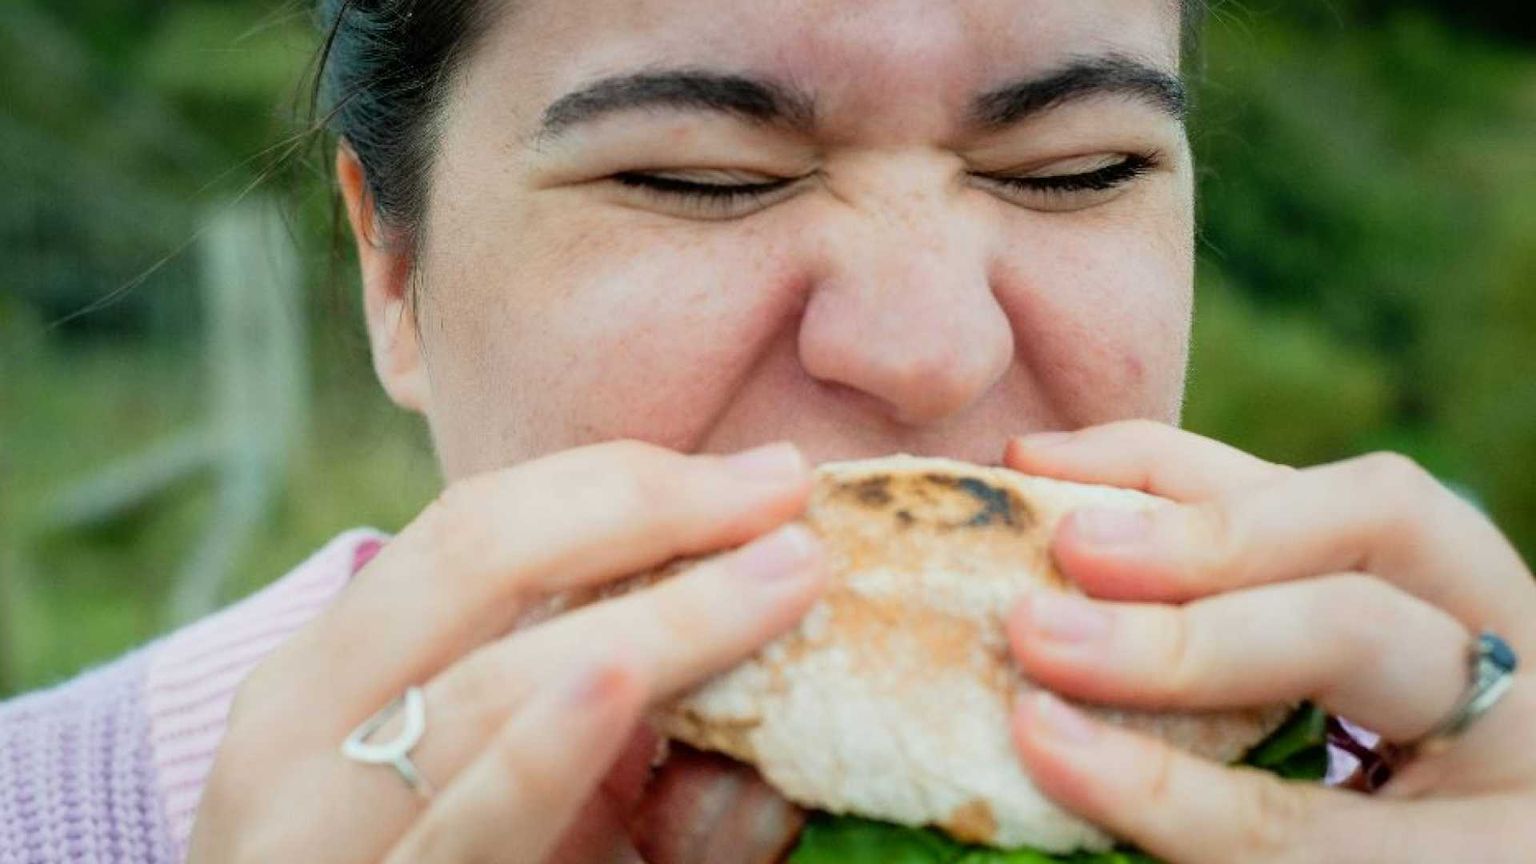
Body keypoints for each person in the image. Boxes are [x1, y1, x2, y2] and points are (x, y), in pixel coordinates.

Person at [2, 1, 1533, 862]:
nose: (932, 353)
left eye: (1076, 167)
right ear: (392, 273)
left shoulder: (1401, 802)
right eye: (702, 177)